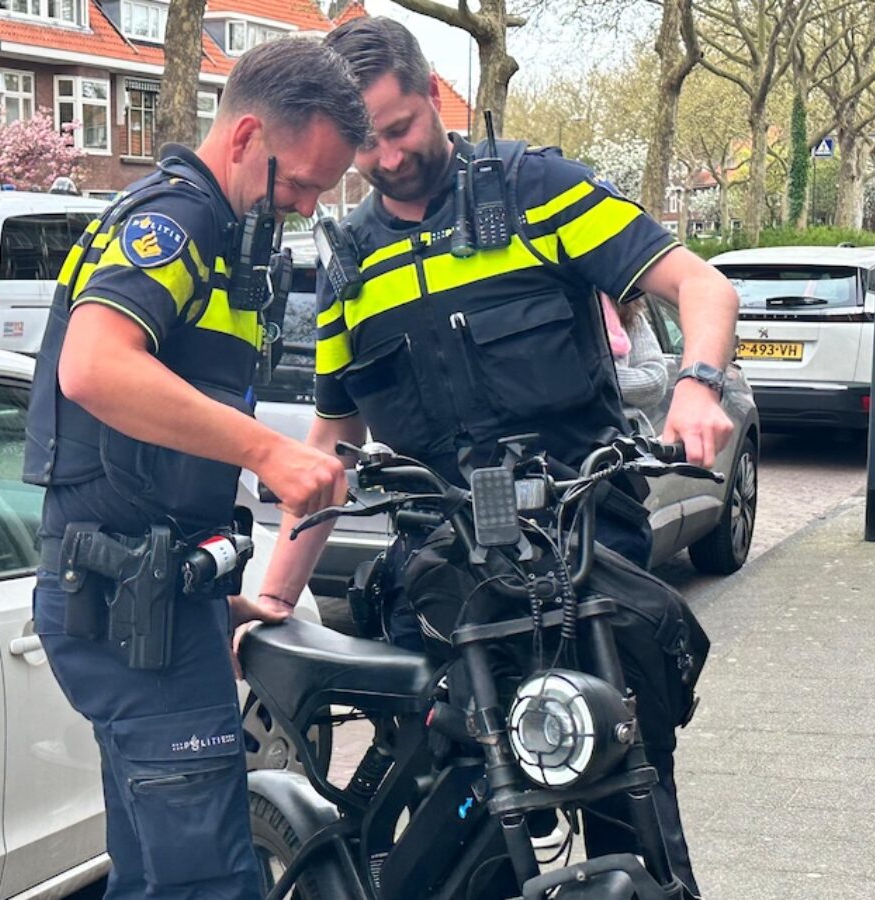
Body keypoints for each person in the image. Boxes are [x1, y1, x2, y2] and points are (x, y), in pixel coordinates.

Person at [250, 18, 737, 896]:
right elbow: (331, 441)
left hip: (581, 553)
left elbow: (700, 284)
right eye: (365, 143)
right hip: (445, 573)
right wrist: (277, 594)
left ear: (435, 94)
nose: (387, 158)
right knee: (448, 802)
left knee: (624, 779)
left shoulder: (536, 190)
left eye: (399, 129)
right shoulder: (351, 262)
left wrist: (698, 383)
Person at [22, 38, 366, 900]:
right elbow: (95, 368)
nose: (304, 205)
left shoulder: (225, 237)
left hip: (156, 598)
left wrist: (208, 591)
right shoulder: (180, 221)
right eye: (299, 185)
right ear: (248, 133)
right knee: (208, 883)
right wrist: (271, 452)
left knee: (151, 877)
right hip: (132, 611)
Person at [604, 293, 671, 432]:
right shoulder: (549, 302)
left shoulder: (621, 304)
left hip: (624, 437)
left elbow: (655, 380)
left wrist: (595, 376)